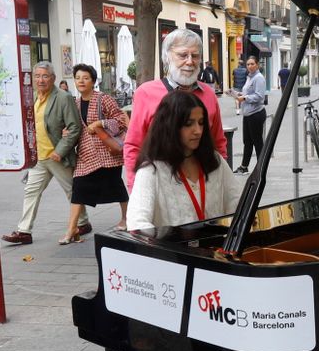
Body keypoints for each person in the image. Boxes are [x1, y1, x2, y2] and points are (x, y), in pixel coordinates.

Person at [125, 91, 292, 351]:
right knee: (233, 330)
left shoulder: (214, 161)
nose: (197, 130)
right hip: (180, 276)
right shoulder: (151, 171)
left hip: (221, 263)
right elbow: (137, 226)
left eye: (201, 123)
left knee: (274, 312)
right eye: (189, 124)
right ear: (171, 126)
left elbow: (239, 205)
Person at [121, 28, 228, 190]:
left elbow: (218, 143)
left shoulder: (209, 95)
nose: (190, 61)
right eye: (183, 55)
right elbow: (134, 145)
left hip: (202, 186)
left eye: (195, 55)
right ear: (167, 57)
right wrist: (135, 187)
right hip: (160, 187)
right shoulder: (146, 93)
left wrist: (221, 181)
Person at [0, 62, 81, 246]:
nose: (40, 80)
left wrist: (60, 151)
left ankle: (82, 223)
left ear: (53, 78)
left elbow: (74, 127)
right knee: (31, 191)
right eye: (37, 76)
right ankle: (24, 231)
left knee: (72, 192)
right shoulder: (34, 97)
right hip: (39, 157)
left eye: (45, 76)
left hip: (56, 155)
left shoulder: (63, 98)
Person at [62, 63, 129, 241]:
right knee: (79, 187)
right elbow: (74, 127)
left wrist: (100, 123)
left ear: (93, 81)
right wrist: (67, 132)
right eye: (77, 78)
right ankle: (72, 229)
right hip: (85, 153)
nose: (81, 81)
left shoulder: (103, 99)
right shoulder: (74, 103)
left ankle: (126, 218)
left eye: (85, 78)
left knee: (116, 186)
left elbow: (120, 120)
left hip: (107, 152)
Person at [234, 55, 266, 174]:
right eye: (248, 64)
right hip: (247, 114)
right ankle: (244, 166)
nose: (250, 66)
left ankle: (261, 167)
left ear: (257, 64)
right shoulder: (249, 77)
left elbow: (259, 96)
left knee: (257, 142)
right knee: (247, 141)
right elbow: (248, 92)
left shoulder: (258, 78)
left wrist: (245, 98)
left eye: (252, 64)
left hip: (256, 113)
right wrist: (238, 94)